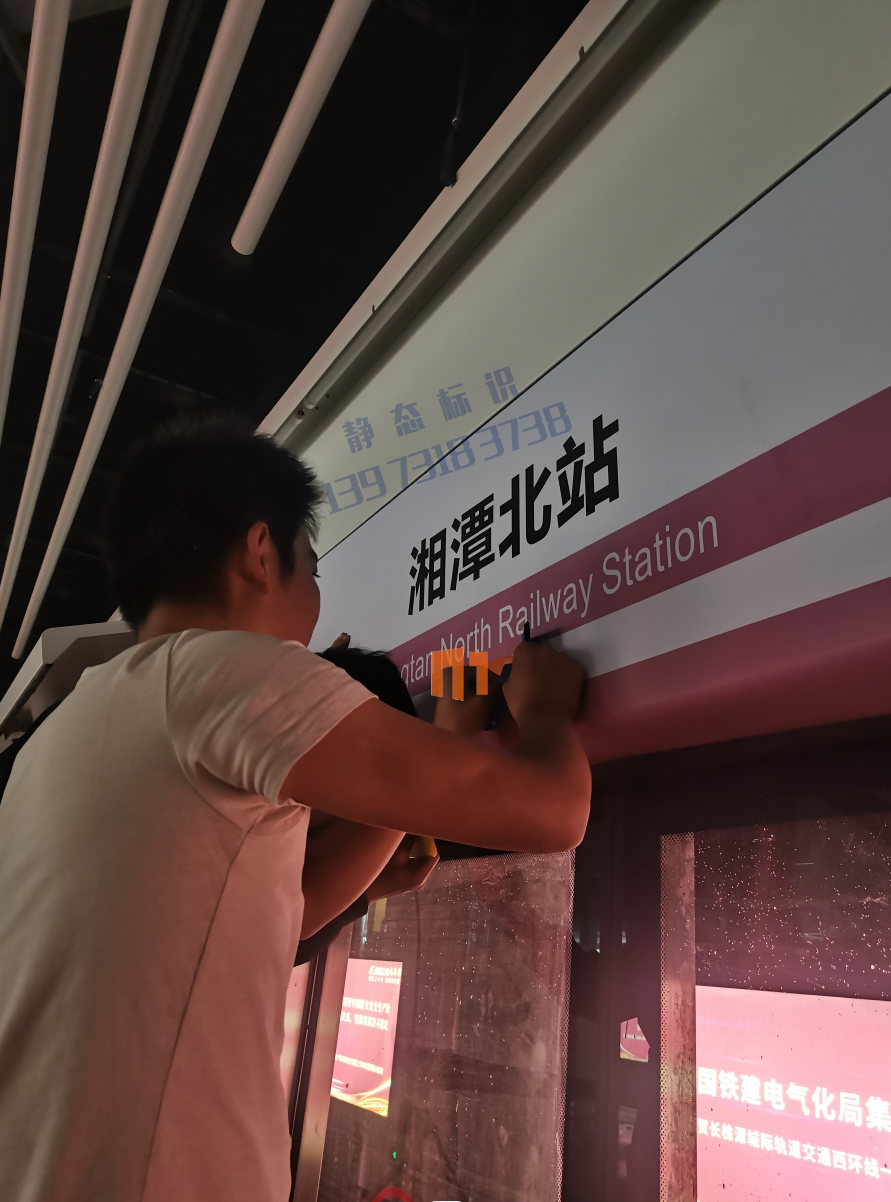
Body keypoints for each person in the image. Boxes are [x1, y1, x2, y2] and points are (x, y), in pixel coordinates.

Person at [0, 420, 590, 1202]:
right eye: (311, 568)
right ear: (260, 553)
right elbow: (553, 812)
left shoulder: (67, 729)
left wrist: (434, 756)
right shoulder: (222, 672)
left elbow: (272, 917)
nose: (315, 601)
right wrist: (544, 709)